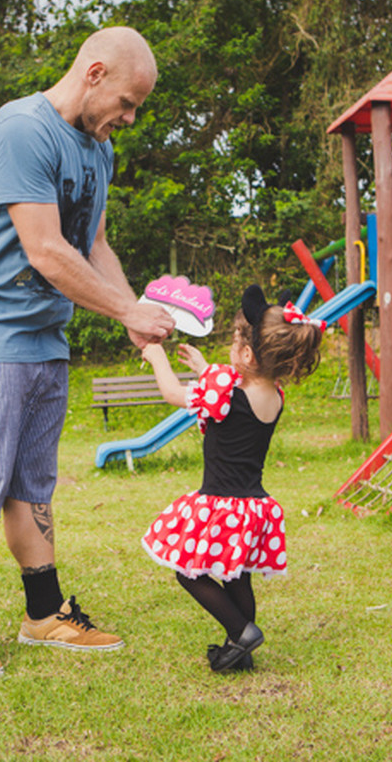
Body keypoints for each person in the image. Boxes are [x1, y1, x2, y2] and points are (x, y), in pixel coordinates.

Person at [0, 26, 175, 682]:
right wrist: (123, 307)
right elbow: (45, 249)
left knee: (33, 483)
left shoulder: (99, 151)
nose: (129, 117)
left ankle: (43, 612)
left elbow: (93, 246)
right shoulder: (21, 130)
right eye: (127, 101)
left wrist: (131, 314)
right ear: (93, 74)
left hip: (43, 340)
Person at [139, 285, 325, 672]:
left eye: (236, 339)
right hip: (253, 506)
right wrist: (204, 369)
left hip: (219, 504)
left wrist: (157, 356)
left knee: (188, 573)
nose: (232, 345)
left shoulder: (224, 392)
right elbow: (235, 392)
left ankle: (241, 632)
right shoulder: (273, 395)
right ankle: (239, 651)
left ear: (246, 354)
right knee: (238, 578)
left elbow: (173, 393)